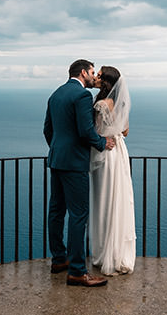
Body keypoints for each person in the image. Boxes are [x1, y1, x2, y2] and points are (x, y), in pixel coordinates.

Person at [44, 59, 115, 287]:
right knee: (78, 215)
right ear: (83, 72)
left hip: (57, 160)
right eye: (92, 72)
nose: (94, 76)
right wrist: (102, 142)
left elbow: (48, 129)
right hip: (74, 163)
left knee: (56, 211)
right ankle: (76, 270)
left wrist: (59, 150)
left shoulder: (56, 94)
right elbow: (86, 131)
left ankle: (58, 259)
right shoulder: (82, 95)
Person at [89, 66, 136, 275]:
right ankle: (117, 253)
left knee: (104, 200)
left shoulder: (100, 105)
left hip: (106, 154)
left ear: (106, 82)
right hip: (120, 153)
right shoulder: (120, 103)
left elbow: (95, 132)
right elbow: (124, 131)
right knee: (119, 200)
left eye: (99, 76)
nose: (96, 78)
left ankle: (103, 253)